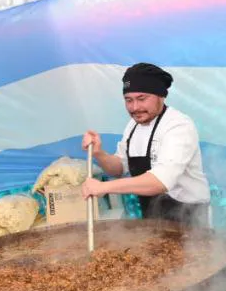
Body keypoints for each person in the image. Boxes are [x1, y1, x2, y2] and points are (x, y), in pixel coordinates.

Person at [81, 63, 211, 228]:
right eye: (129, 100)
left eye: (142, 99)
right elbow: (119, 168)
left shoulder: (179, 126)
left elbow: (160, 182)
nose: (135, 108)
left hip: (189, 218)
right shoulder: (133, 126)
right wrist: (99, 153)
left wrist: (103, 187)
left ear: (161, 96)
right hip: (153, 217)